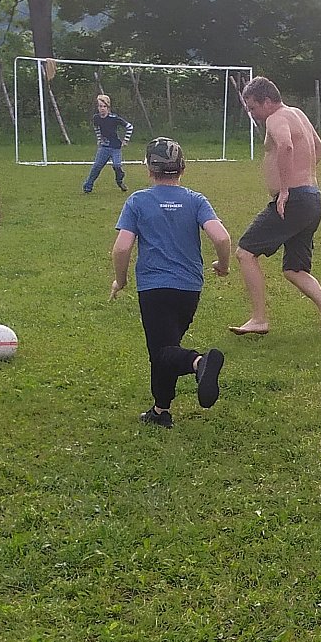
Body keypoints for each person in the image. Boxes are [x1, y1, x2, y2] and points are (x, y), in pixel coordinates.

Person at [109, 137, 231, 428]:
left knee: (162, 352)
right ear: (183, 168)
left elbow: (122, 248)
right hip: (189, 289)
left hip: (154, 288)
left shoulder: (138, 201)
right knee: (166, 347)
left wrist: (120, 280)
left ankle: (199, 362)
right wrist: (223, 265)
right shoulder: (196, 200)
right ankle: (160, 411)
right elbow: (222, 237)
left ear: (148, 169)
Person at [229, 77, 321, 335]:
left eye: (253, 108)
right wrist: (303, 175)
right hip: (312, 199)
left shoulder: (276, 118)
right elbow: (320, 149)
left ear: (267, 101)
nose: (252, 114)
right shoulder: (297, 114)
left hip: (294, 200)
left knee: (245, 252)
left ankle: (259, 319)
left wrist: (284, 189)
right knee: (294, 269)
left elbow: (286, 145)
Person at [84, 94, 134, 194]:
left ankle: (119, 181)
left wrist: (125, 140)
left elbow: (129, 127)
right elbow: (97, 128)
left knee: (117, 165)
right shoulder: (96, 118)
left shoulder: (114, 118)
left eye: (104, 106)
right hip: (104, 147)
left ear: (108, 107)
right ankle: (88, 186)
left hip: (115, 147)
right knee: (96, 167)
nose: (102, 109)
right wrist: (99, 139)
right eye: (100, 106)